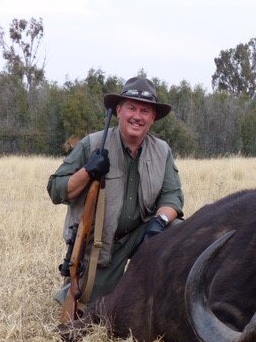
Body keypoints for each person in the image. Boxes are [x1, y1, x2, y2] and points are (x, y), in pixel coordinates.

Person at [48, 76, 184, 305]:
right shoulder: (92, 144)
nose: (137, 117)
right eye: (131, 108)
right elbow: (55, 189)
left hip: (140, 234)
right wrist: (88, 171)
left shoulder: (162, 151)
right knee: (94, 304)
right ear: (119, 110)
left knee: (178, 230)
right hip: (99, 245)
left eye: (145, 111)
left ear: (153, 118)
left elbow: (173, 197)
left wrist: (158, 222)